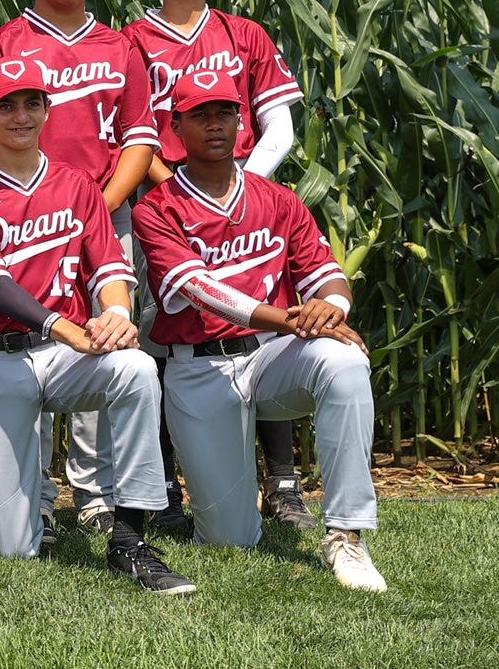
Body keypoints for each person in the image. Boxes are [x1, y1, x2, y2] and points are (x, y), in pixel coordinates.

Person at [0, 77, 193, 593]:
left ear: (47, 110)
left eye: (31, 104)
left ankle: (130, 537)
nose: (20, 116)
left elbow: (108, 268)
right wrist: (67, 328)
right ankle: (5, 511)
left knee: (136, 367)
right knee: (10, 547)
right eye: (5, 106)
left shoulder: (76, 184)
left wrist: (117, 314)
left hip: (63, 356)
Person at [133, 72, 386, 591]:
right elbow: (198, 287)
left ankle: (347, 535)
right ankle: (235, 492)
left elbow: (327, 275)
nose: (214, 125)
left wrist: (331, 309)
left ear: (242, 121)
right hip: (199, 365)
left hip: (273, 358)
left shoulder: (279, 199)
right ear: (175, 127)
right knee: (230, 538)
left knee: (345, 361)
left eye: (224, 112)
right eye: (199, 115)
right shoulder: (156, 208)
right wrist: (287, 317)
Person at [0, 0, 156, 536]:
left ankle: (98, 497)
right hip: (12, 210)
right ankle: (31, 493)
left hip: (96, 205)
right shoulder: (1, 43)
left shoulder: (118, 44)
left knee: (106, 339)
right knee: (30, 333)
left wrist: (89, 202)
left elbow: (139, 137)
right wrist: (35, 197)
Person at [125, 0, 311, 530]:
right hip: (167, 204)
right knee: (164, 335)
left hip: (248, 198)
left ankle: (283, 484)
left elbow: (279, 125)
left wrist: (239, 186)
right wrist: (180, 192)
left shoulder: (243, 33)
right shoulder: (134, 40)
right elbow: (131, 133)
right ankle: (169, 487)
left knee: (267, 329)